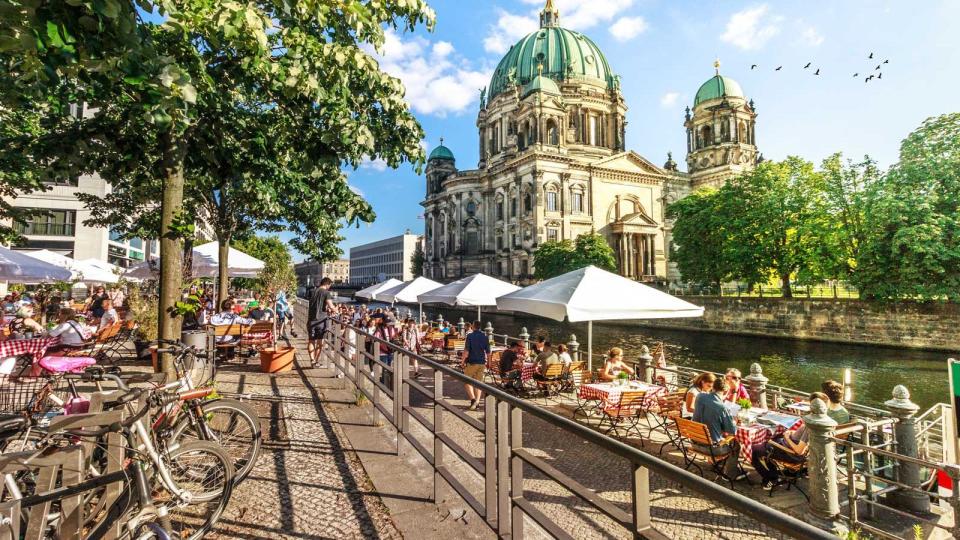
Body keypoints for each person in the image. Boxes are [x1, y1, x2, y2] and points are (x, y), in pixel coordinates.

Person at [750, 392, 819, 489]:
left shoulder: (810, 424)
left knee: (753, 449)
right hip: (788, 445)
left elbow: (799, 451)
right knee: (771, 437)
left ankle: (770, 478)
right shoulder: (816, 421)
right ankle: (773, 472)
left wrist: (786, 437)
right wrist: (793, 434)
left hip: (789, 453)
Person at [692, 377, 741, 480]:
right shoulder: (722, 407)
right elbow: (732, 431)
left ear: (712, 387)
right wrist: (734, 421)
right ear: (726, 391)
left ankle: (719, 465)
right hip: (711, 449)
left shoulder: (700, 396)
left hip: (695, 442)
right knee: (736, 444)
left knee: (718, 434)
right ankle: (730, 474)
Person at [307, 277, 336, 368]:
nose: (329, 287)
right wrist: (335, 310)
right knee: (320, 342)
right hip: (321, 320)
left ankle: (312, 360)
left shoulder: (312, 291)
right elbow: (331, 306)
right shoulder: (326, 293)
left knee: (311, 340)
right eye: (329, 285)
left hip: (311, 319)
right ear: (327, 284)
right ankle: (316, 361)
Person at [462, 321, 490, 411]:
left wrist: (462, 362)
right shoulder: (485, 337)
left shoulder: (470, 336)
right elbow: (488, 352)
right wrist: (489, 363)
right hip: (482, 363)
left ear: (473, 327)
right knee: (478, 383)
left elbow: (466, 351)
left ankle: (473, 400)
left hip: (472, 362)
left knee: (467, 381)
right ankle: (477, 402)